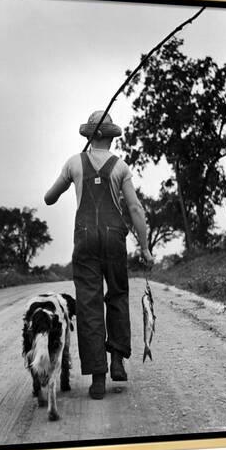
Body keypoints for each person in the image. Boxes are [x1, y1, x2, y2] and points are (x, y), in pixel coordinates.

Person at [44, 110, 153, 399]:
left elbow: (49, 198)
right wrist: (144, 247)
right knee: (116, 295)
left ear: (89, 136)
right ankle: (117, 359)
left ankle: (97, 378)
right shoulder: (121, 167)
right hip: (114, 240)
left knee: (89, 305)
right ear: (111, 137)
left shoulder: (73, 163)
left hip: (85, 240)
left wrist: (72, 174)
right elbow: (135, 209)